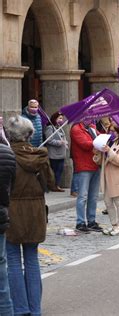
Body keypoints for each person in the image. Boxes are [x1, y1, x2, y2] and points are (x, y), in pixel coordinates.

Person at [4, 116, 55, 315]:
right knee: (32, 259)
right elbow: (51, 183)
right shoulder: (40, 155)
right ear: (30, 134)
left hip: (13, 211)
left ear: (9, 134)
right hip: (35, 212)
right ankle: (35, 309)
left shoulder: (7, 155)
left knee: (13, 259)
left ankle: (20, 308)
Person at [94, 123, 119, 236]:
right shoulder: (106, 143)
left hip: (118, 177)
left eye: (114, 131)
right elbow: (99, 162)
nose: (111, 133)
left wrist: (109, 151)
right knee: (108, 202)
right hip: (107, 177)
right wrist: (97, 152)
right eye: (110, 131)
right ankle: (114, 225)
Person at [70, 120, 102, 232]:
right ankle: (80, 222)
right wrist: (99, 143)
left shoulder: (92, 127)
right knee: (82, 196)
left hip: (95, 164)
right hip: (83, 165)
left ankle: (91, 221)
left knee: (93, 196)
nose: (91, 118)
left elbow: (100, 137)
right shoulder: (76, 129)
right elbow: (84, 144)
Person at [0, 125, 15, 316]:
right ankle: (6, 310)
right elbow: (13, 186)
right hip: (1, 213)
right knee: (1, 265)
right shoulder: (8, 153)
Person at [44, 112, 68, 192]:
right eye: (59, 118)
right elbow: (49, 140)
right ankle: (52, 185)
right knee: (54, 170)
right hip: (54, 153)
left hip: (61, 153)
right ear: (55, 119)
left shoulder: (60, 127)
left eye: (62, 118)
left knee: (59, 170)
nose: (61, 120)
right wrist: (59, 142)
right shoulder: (50, 128)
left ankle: (57, 185)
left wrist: (65, 142)